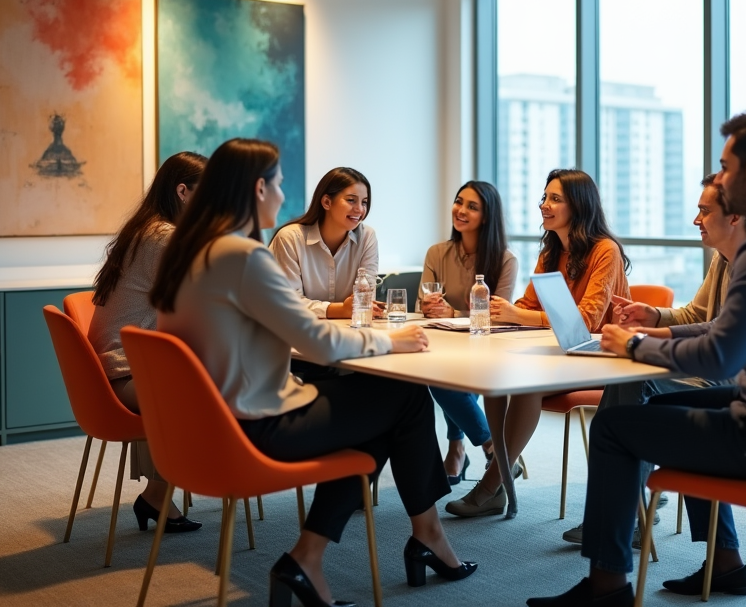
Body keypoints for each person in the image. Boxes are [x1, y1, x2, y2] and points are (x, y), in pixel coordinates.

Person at [527, 108, 746, 607]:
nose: (722, 178)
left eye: (726, 167)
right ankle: (727, 563)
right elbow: (723, 327)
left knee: (612, 427)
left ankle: (608, 588)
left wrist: (635, 345)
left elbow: (717, 356)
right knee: (656, 411)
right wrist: (651, 331)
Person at [150, 138, 476, 607]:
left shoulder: (190, 255)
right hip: (252, 428)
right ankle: (403, 541)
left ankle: (328, 556)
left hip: (201, 429)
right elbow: (316, 340)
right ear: (258, 188)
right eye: (279, 185)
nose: (283, 196)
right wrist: (391, 340)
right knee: (404, 400)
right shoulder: (242, 257)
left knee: (379, 407)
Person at [559, 173, 746, 546]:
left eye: (704, 211)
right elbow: (696, 316)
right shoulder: (722, 260)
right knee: (627, 391)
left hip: (732, 377)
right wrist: (652, 315)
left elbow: (718, 330)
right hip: (713, 371)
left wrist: (644, 340)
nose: (696, 220)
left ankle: (617, 519)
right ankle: (624, 511)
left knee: (631, 395)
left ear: (734, 217)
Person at [445, 168, 630, 518]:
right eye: (544, 197)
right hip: (562, 354)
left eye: (555, 199)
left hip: (602, 355)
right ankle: (497, 483)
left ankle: (491, 485)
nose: (544, 205)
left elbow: (586, 320)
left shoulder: (605, 250)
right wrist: (503, 313)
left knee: (526, 385)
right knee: (497, 380)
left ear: (579, 206)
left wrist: (518, 315)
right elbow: (529, 307)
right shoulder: (551, 251)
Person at [89, 151, 206, 533]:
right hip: (124, 375)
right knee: (204, 396)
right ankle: (165, 493)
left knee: (197, 383)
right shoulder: (164, 237)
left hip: (121, 366)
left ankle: (158, 495)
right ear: (184, 192)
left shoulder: (149, 228)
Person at [419, 181, 519, 483]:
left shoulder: (505, 259)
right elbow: (422, 303)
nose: (460, 210)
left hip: (486, 347)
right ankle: (491, 446)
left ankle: (464, 448)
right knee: (438, 373)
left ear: (486, 217)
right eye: (459, 202)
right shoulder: (437, 252)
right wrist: (430, 307)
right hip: (441, 340)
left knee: (444, 380)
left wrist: (453, 312)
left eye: (472, 207)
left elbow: (499, 315)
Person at [270, 167, 382, 320]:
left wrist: (354, 308)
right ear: (326, 202)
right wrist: (341, 309)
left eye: (364, 202)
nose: (360, 209)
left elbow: (364, 301)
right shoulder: (290, 238)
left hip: (351, 332)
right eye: (351, 200)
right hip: (297, 333)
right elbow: (288, 303)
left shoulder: (367, 237)